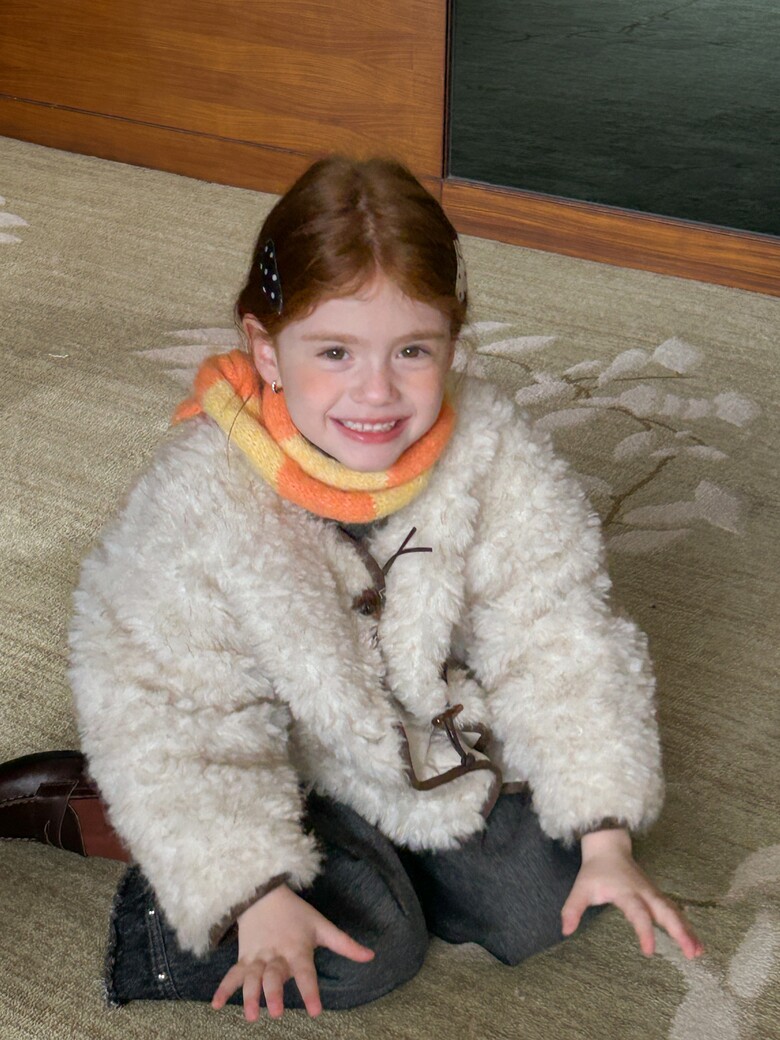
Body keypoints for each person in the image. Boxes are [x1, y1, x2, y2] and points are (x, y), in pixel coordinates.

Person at [0, 157, 703, 1021]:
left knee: (547, 895)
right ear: (267, 349)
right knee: (367, 952)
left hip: (412, 744)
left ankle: (395, 863)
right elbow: (164, 700)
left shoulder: (493, 449)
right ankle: (136, 839)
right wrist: (250, 887)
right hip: (271, 761)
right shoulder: (199, 499)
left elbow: (556, 628)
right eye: (334, 352)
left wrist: (603, 828)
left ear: (452, 341)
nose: (377, 392)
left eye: (413, 351)